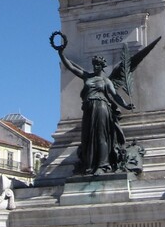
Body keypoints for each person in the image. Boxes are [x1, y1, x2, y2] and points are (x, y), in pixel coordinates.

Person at [55, 47, 133, 175]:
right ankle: (90, 164)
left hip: (101, 107)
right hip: (88, 109)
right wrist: (60, 53)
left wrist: (126, 105)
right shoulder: (87, 76)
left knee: (101, 136)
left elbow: (115, 95)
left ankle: (103, 165)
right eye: (94, 64)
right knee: (88, 137)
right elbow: (71, 67)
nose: (95, 66)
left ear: (102, 66)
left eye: (98, 64)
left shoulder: (106, 81)